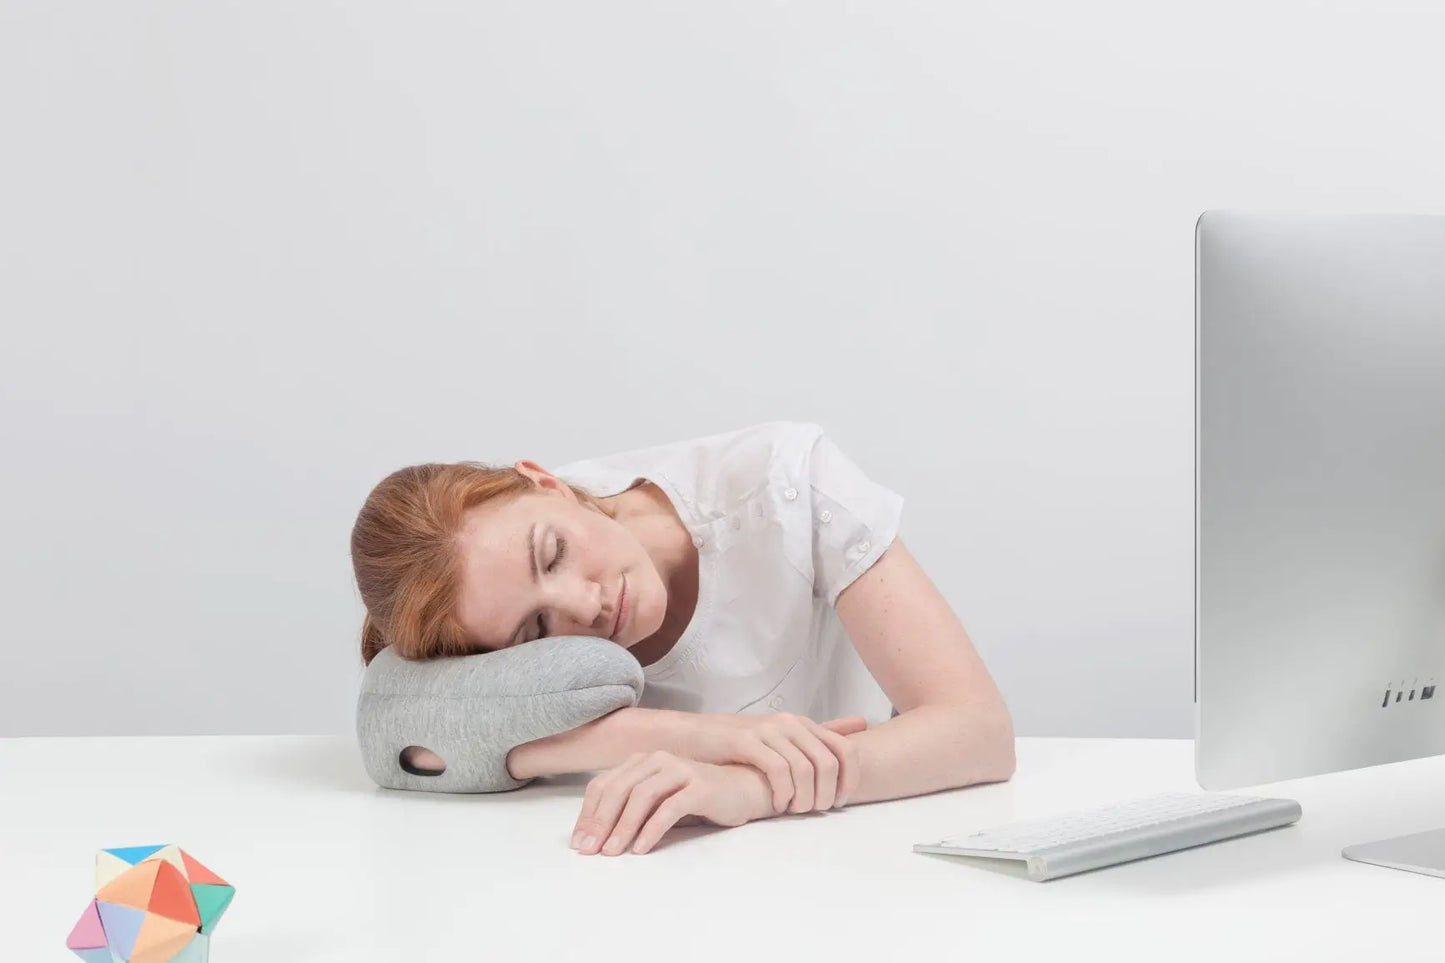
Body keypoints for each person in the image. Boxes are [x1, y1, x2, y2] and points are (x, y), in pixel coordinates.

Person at [350, 421, 1014, 856]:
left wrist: (746, 786)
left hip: (864, 859)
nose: (587, 604)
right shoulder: (494, 618)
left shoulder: (785, 483)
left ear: (545, 480)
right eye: (536, 627)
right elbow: (393, 725)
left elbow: (977, 728)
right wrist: (710, 737)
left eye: (552, 552)